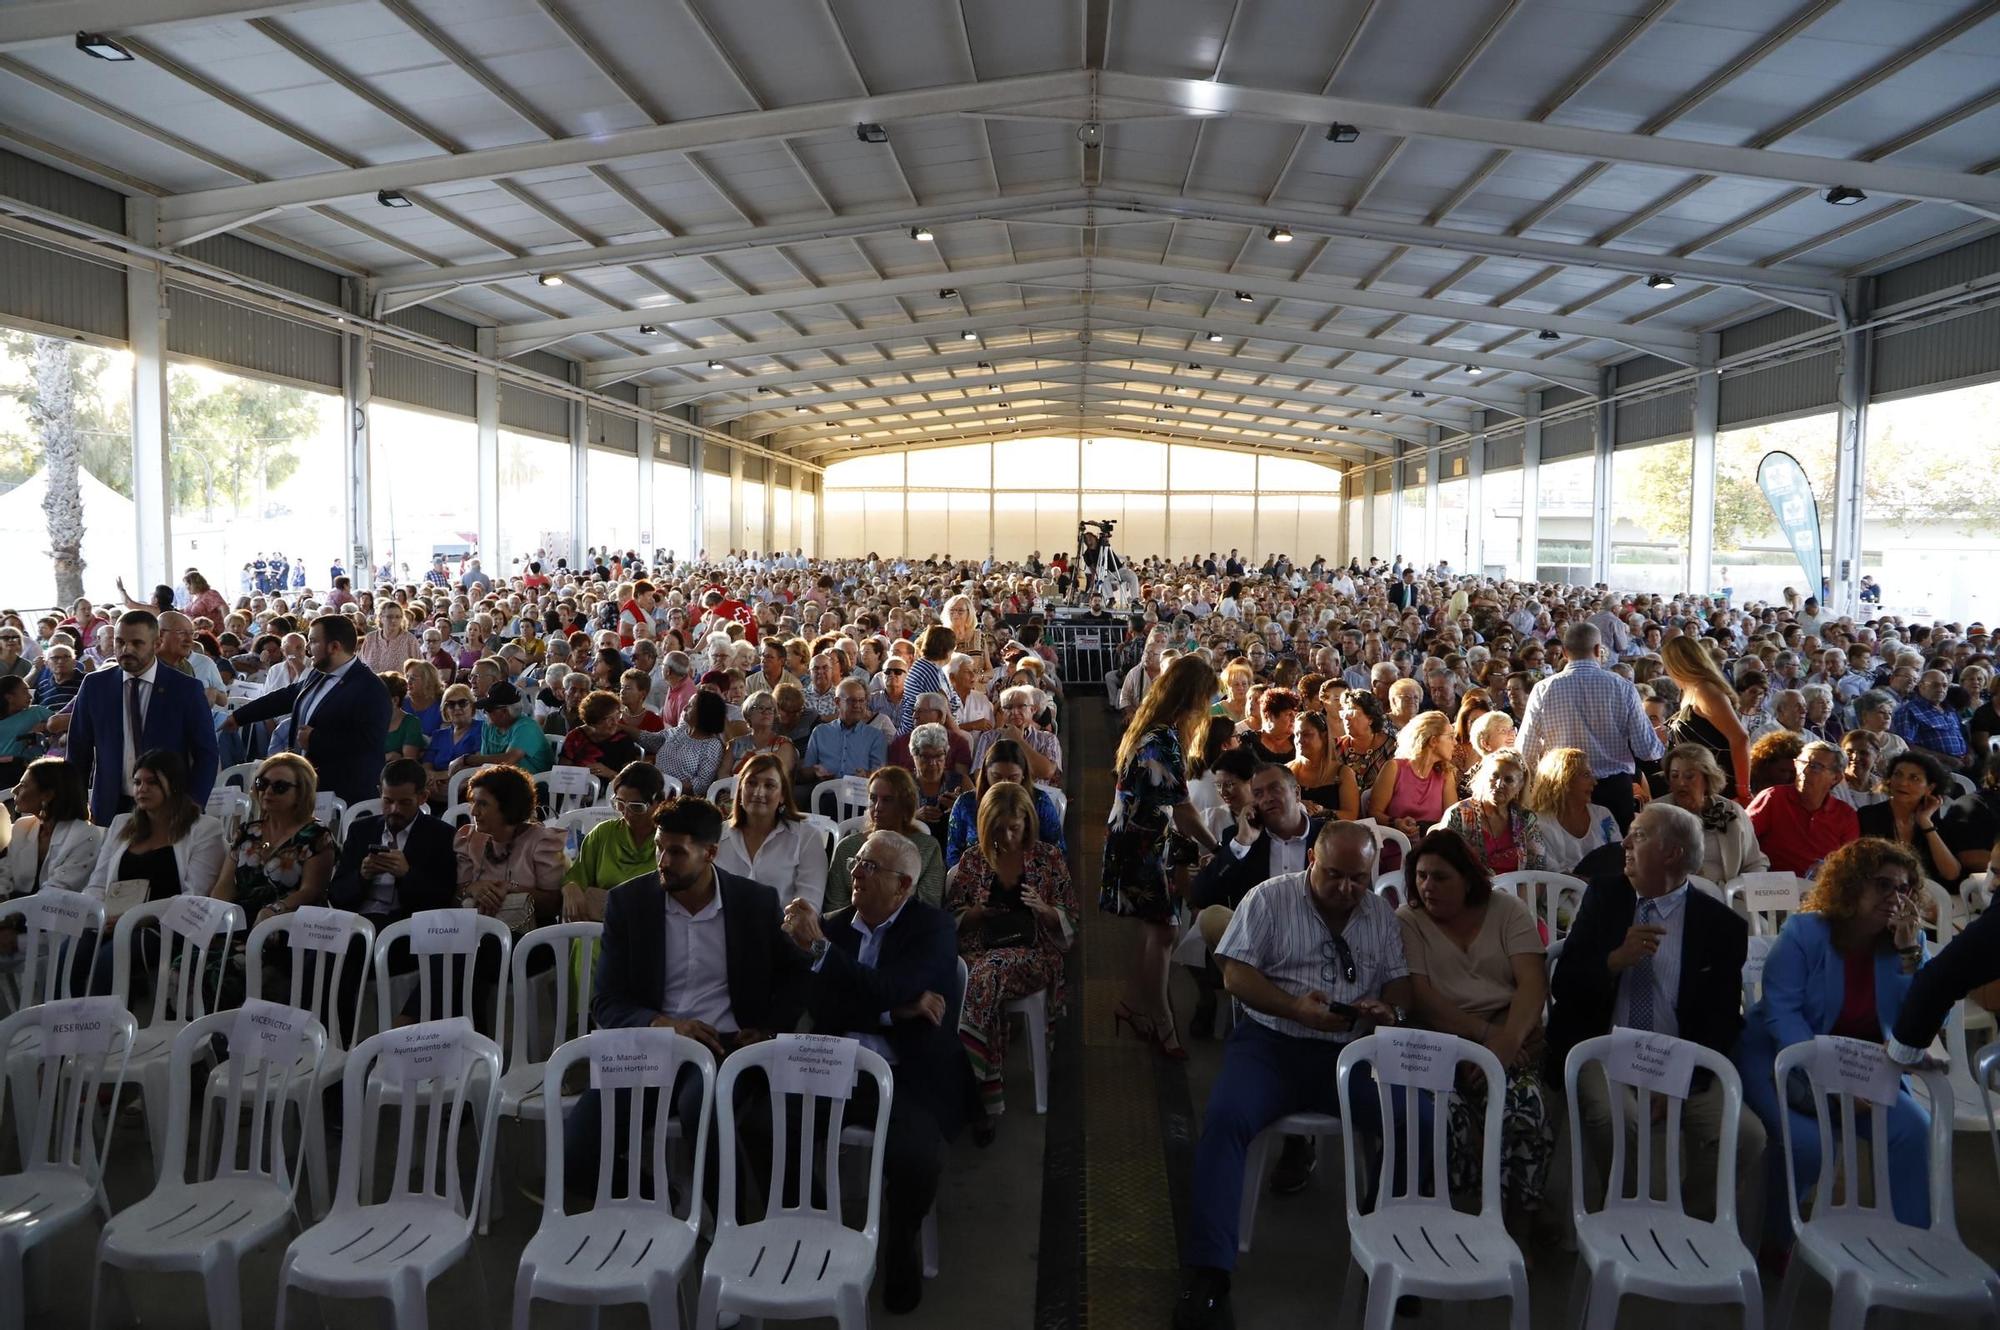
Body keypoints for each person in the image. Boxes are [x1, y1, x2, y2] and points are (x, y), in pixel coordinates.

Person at [1174, 823, 1421, 1330]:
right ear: (1312, 859)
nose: (1347, 889)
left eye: (1359, 878)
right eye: (1334, 875)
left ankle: (1386, 1247)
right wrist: (1293, 1007)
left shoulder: (1377, 913)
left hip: (1350, 1052)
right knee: (1225, 1121)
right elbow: (1236, 974)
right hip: (1272, 1044)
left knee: (1410, 1119)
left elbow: (1399, 983)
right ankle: (1208, 1274)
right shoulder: (1269, 899)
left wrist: (1387, 1010)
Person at [1545, 802, 1765, 1246]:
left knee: (1745, 1136)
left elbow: (1724, 1019)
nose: (1624, 843)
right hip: (1604, 1049)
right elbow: (1566, 986)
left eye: (1639, 836)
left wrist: (1679, 1080)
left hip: (1679, 1059)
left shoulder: (1721, 925)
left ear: (1671, 853)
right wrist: (1613, 961)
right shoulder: (1605, 899)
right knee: (1613, 1117)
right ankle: (1627, 1221)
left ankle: (1687, 1221)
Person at [570, 795, 809, 1202]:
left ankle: (731, 1224)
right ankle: (662, 1196)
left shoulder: (754, 903)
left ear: (710, 853)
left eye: (676, 852)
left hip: (724, 1045)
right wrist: (664, 1024)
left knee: (705, 1110)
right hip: (650, 1045)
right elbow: (606, 1001)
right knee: (576, 1153)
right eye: (659, 849)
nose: (662, 861)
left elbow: (794, 975)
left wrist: (769, 1028)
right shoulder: (630, 904)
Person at [781, 828, 962, 1314]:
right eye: (856, 862)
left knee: (916, 1158)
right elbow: (824, 1009)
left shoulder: (934, 930)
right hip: (837, 1063)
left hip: (906, 1071)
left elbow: (890, 984)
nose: (855, 874)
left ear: (903, 886)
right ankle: (820, 1221)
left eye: (869, 867)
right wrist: (892, 1010)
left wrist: (827, 959)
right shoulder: (837, 926)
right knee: (767, 1124)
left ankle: (899, 1242)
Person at [1733, 838, 1930, 1250]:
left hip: (1864, 1067)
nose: (1896, 897)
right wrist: (1834, 1082)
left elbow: (1921, 1023)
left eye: (1905, 888)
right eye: (1883, 884)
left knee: (1914, 1128)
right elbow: (1781, 1014)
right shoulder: (1806, 931)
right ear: (1853, 884)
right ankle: (1776, 1238)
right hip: (1780, 1056)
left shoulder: (1908, 943)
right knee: (1810, 1145)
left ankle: (1911, 1244)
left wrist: (1908, 955)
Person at [1397, 829, 1553, 1250]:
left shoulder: (1507, 910)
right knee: (1442, 1120)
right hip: (1443, 1042)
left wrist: (1505, 1044)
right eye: (1422, 876)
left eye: (1440, 877)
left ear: (1468, 879)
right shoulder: (1408, 920)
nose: (1427, 886)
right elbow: (1422, 998)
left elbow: (1532, 984)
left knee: (1523, 1110)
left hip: (1510, 1036)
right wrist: (1486, 1042)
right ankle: (1447, 1223)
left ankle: (1518, 1226)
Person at [1102, 655, 1222, 1060]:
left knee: (1154, 930)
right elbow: (1184, 808)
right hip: (1143, 844)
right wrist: (1217, 848)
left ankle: (1135, 1007)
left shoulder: (1151, 728)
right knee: (1164, 931)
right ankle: (1162, 1021)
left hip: (1139, 837)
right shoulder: (1163, 740)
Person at [946, 781, 1074, 1140]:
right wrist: (975, 912)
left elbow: (1070, 920)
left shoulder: (1048, 859)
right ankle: (981, 1096)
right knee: (975, 974)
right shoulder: (973, 860)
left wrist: (1044, 909)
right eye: (998, 829)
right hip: (981, 948)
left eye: (1014, 828)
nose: (1007, 836)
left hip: (1033, 953)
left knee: (983, 976)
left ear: (1028, 823)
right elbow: (953, 915)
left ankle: (968, 1085)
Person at [79, 750, 227, 994]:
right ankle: (65, 1025)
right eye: (137, 782)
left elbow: (195, 896)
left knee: (110, 959)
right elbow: (97, 883)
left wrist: (135, 917)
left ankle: (105, 1028)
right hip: (112, 920)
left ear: (175, 786)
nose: (141, 789)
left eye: (152, 782)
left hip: (167, 925)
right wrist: (100, 915)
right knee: (72, 950)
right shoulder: (122, 824)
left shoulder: (204, 829)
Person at [67, 609, 218, 824]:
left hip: (169, 807)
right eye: (119, 642)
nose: (126, 649)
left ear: (157, 644)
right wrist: (76, 805)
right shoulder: (95, 686)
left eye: (137, 643)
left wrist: (193, 804)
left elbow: (207, 754)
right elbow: (78, 750)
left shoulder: (185, 689)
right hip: (110, 807)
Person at [226, 613, 392, 805]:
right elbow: (287, 696)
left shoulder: (370, 688)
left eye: (312, 641)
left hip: (344, 793)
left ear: (334, 647)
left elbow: (369, 742)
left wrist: (315, 739)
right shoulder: (320, 674)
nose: (307, 648)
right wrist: (238, 717)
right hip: (309, 786)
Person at [1517, 622, 1663, 831]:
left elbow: (1526, 752)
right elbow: (1647, 750)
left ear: (1565, 653)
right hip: (1614, 790)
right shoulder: (1622, 687)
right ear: (1597, 650)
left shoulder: (1543, 689)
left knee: (1568, 857)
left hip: (1562, 787)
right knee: (1616, 857)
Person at [714, 752, 829, 912]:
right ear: (740, 791)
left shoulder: (807, 837)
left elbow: (809, 907)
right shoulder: (717, 835)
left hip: (782, 933)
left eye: (769, 785)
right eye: (751, 783)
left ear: (782, 795)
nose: (758, 792)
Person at [558, 761, 666, 923]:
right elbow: (578, 875)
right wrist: (570, 887)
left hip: (647, 925)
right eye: (620, 803)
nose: (626, 813)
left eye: (636, 807)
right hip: (600, 924)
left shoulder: (667, 841)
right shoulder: (603, 833)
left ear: (658, 803)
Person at [828, 766, 945, 909]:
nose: (877, 807)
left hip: (909, 929)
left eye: (887, 800)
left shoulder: (927, 848)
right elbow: (835, 907)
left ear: (905, 804)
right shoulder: (847, 847)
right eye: (873, 798)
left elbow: (928, 908)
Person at [946, 738, 1065, 869]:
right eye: (997, 777)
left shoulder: (1040, 802)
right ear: (986, 774)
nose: (1004, 783)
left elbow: (1058, 853)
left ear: (1023, 775)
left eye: (1012, 778)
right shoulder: (965, 804)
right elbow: (953, 855)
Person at [1746, 740, 1860, 875]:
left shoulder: (1845, 814)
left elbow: (1849, 865)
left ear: (1835, 778)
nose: (1804, 771)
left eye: (1816, 767)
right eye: (1801, 763)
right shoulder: (1773, 797)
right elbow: (1742, 840)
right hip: (1772, 885)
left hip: (1820, 889)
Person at [1660, 743, 1769, 883]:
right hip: (1675, 898)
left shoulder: (1732, 811)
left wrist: (1743, 892)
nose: (1681, 783)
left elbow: (1755, 863)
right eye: (1675, 776)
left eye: (1689, 776)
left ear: (1707, 778)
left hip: (1727, 898)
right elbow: (1643, 866)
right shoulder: (1656, 813)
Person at [1857, 750, 1963, 891]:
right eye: (1898, 775)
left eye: (1914, 778)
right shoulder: (1868, 815)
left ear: (1929, 788)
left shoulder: (1937, 821)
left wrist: (1925, 822)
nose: (1903, 783)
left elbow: (1951, 874)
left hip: (1927, 895)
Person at [0, 757, 100, 902]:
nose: (14, 790)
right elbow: (4, 873)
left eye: (23, 785)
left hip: (59, 917)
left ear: (47, 795)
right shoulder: (22, 827)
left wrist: (13, 914)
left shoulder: (84, 835)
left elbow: (59, 890)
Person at [1438, 749, 1547, 874]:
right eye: (1494, 776)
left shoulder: (1526, 818)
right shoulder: (1458, 814)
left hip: (1517, 890)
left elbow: (1537, 869)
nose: (1499, 784)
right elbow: (1443, 861)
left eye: (1508, 780)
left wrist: (1521, 893)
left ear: (1519, 787)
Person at [1524, 745, 1623, 875]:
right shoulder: (1538, 824)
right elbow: (1549, 875)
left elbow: (1620, 856)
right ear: (1564, 780)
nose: (1594, 782)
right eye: (1586, 775)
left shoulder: (1602, 815)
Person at [1369, 709, 1457, 841]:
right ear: (1433, 741)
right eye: (1450, 737)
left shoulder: (1445, 774)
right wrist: (1396, 823)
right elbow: (1373, 813)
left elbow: (1451, 820)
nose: (1455, 742)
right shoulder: (1394, 768)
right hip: (1395, 844)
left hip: (1431, 848)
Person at [458, 680, 555, 775]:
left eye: (488, 709)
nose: (485, 712)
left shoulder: (527, 727)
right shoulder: (489, 726)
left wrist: (466, 759)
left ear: (505, 712)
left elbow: (508, 760)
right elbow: (485, 762)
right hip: (501, 781)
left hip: (532, 786)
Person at [557, 689, 644, 782]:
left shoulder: (623, 739)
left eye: (618, 715)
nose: (615, 722)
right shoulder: (575, 736)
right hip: (577, 791)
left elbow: (631, 781)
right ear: (593, 721)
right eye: (608, 719)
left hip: (611, 792)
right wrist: (581, 773)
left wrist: (609, 773)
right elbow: (562, 774)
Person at [656, 689, 730, 797]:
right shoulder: (681, 730)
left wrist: (666, 783)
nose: (685, 708)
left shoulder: (712, 745)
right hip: (655, 789)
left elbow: (701, 786)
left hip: (678, 798)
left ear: (703, 713)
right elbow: (652, 740)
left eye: (691, 706)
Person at [1289, 708, 1359, 818]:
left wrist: (1322, 811)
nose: (1299, 740)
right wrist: (1297, 805)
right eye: (1296, 735)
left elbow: (1351, 815)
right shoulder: (1287, 772)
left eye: (1306, 734)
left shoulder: (1342, 773)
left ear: (1324, 736)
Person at [1891, 669, 1968, 769]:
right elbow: (1906, 746)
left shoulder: (1950, 710)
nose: (1941, 689)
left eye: (1944, 685)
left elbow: (1961, 736)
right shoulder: (1909, 711)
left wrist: (1969, 753)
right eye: (1935, 685)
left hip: (1961, 765)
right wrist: (1946, 759)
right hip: (1933, 767)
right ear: (1921, 686)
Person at [898, 624, 956, 733]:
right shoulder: (929, 671)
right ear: (946, 650)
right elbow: (944, 712)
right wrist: (960, 734)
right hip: (921, 734)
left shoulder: (928, 666)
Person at [727, 690, 798, 775]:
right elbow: (722, 775)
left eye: (770, 709)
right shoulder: (734, 744)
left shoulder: (783, 744)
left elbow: (780, 776)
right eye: (760, 708)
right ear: (748, 713)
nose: (766, 712)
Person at [1335, 690, 1393, 794]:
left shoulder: (1391, 747)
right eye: (1344, 712)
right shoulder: (1335, 747)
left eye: (1352, 712)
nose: (1346, 717)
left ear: (1370, 718)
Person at [379, 671, 426, 761]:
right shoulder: (369, 721)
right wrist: (389, 756)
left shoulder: (411, 723)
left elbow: (408, 763)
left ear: (395, 700)